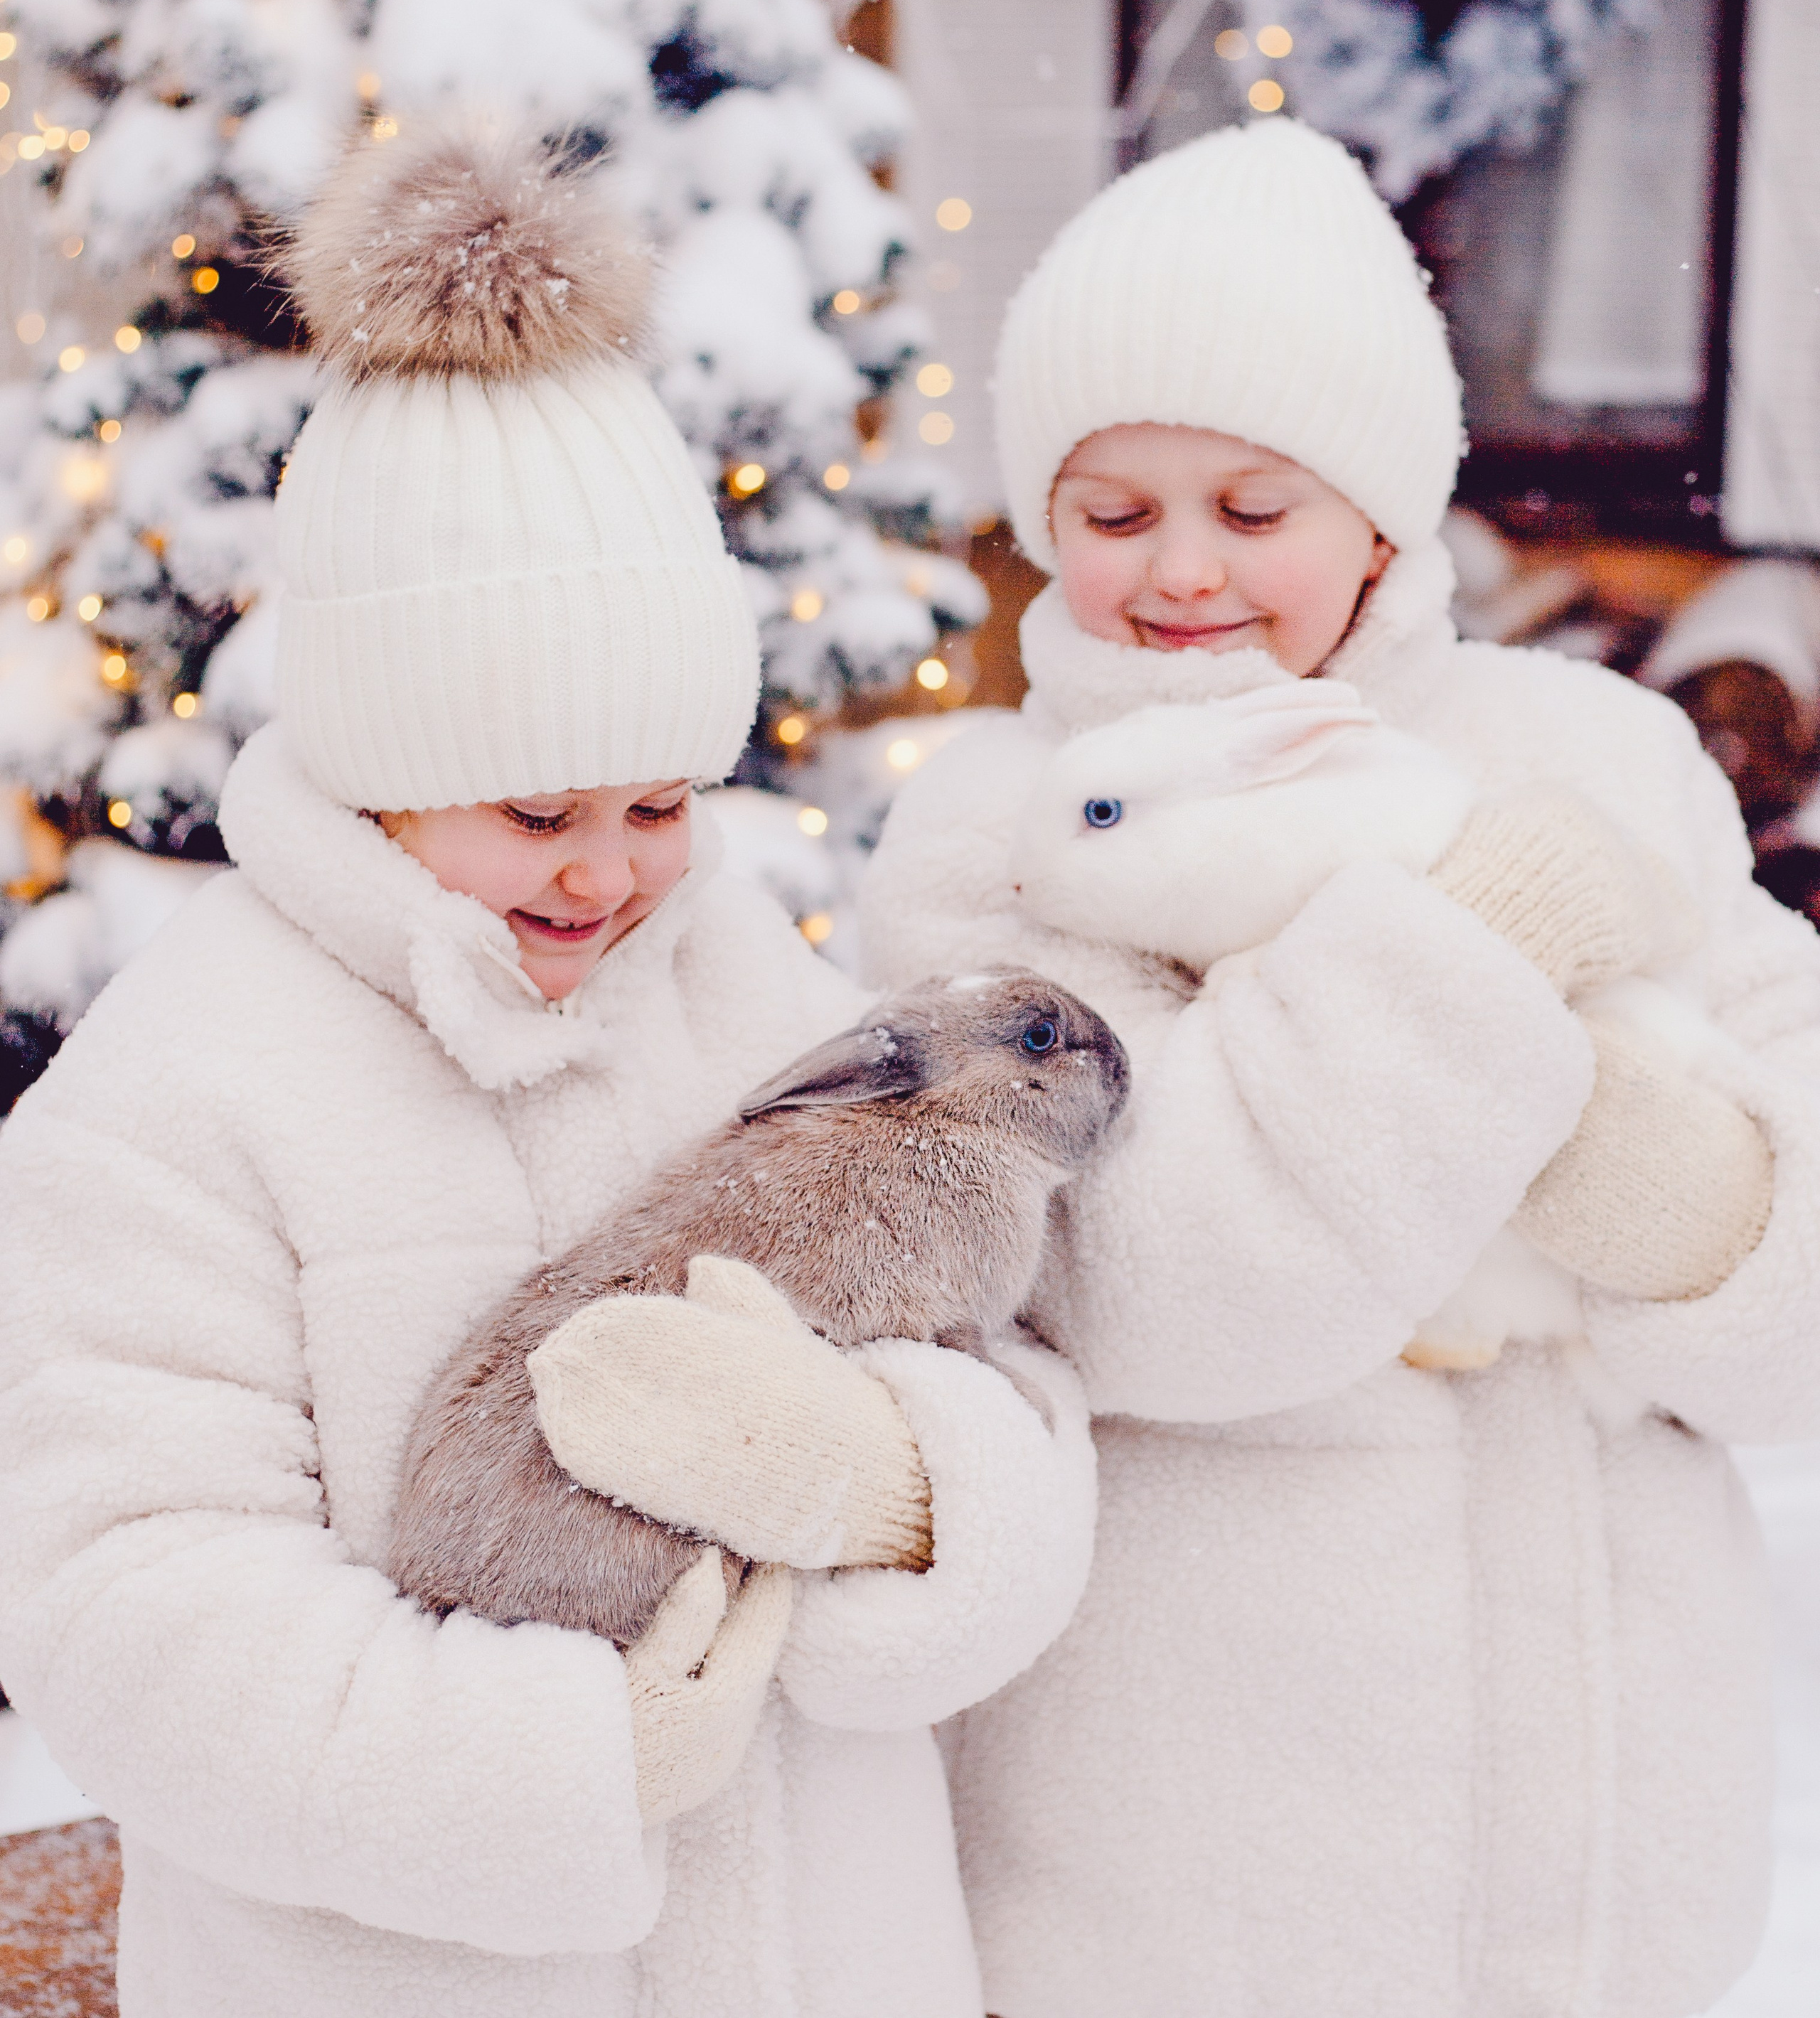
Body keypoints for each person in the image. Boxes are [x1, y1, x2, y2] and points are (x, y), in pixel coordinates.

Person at [0, 120, 1095, 2018]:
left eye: (663, 798)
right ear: (376, 765)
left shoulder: (755, 986)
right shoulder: (188, 1088)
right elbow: (125, 1601)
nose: (611, 868)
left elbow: (1017, 1376)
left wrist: (910, 1491)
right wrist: (564, 1763)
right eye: (534, 811)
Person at [859, 119, 1820, 2018]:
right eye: (1115, 513)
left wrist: (1651, 1176)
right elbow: (1156, 1287)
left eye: (1255, 504)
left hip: (1622, 1860)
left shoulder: (1597, 765)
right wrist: (1467, 979)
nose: (1183, 573)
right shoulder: (1010, 842)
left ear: (1384, 510)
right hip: (1196, 1879)